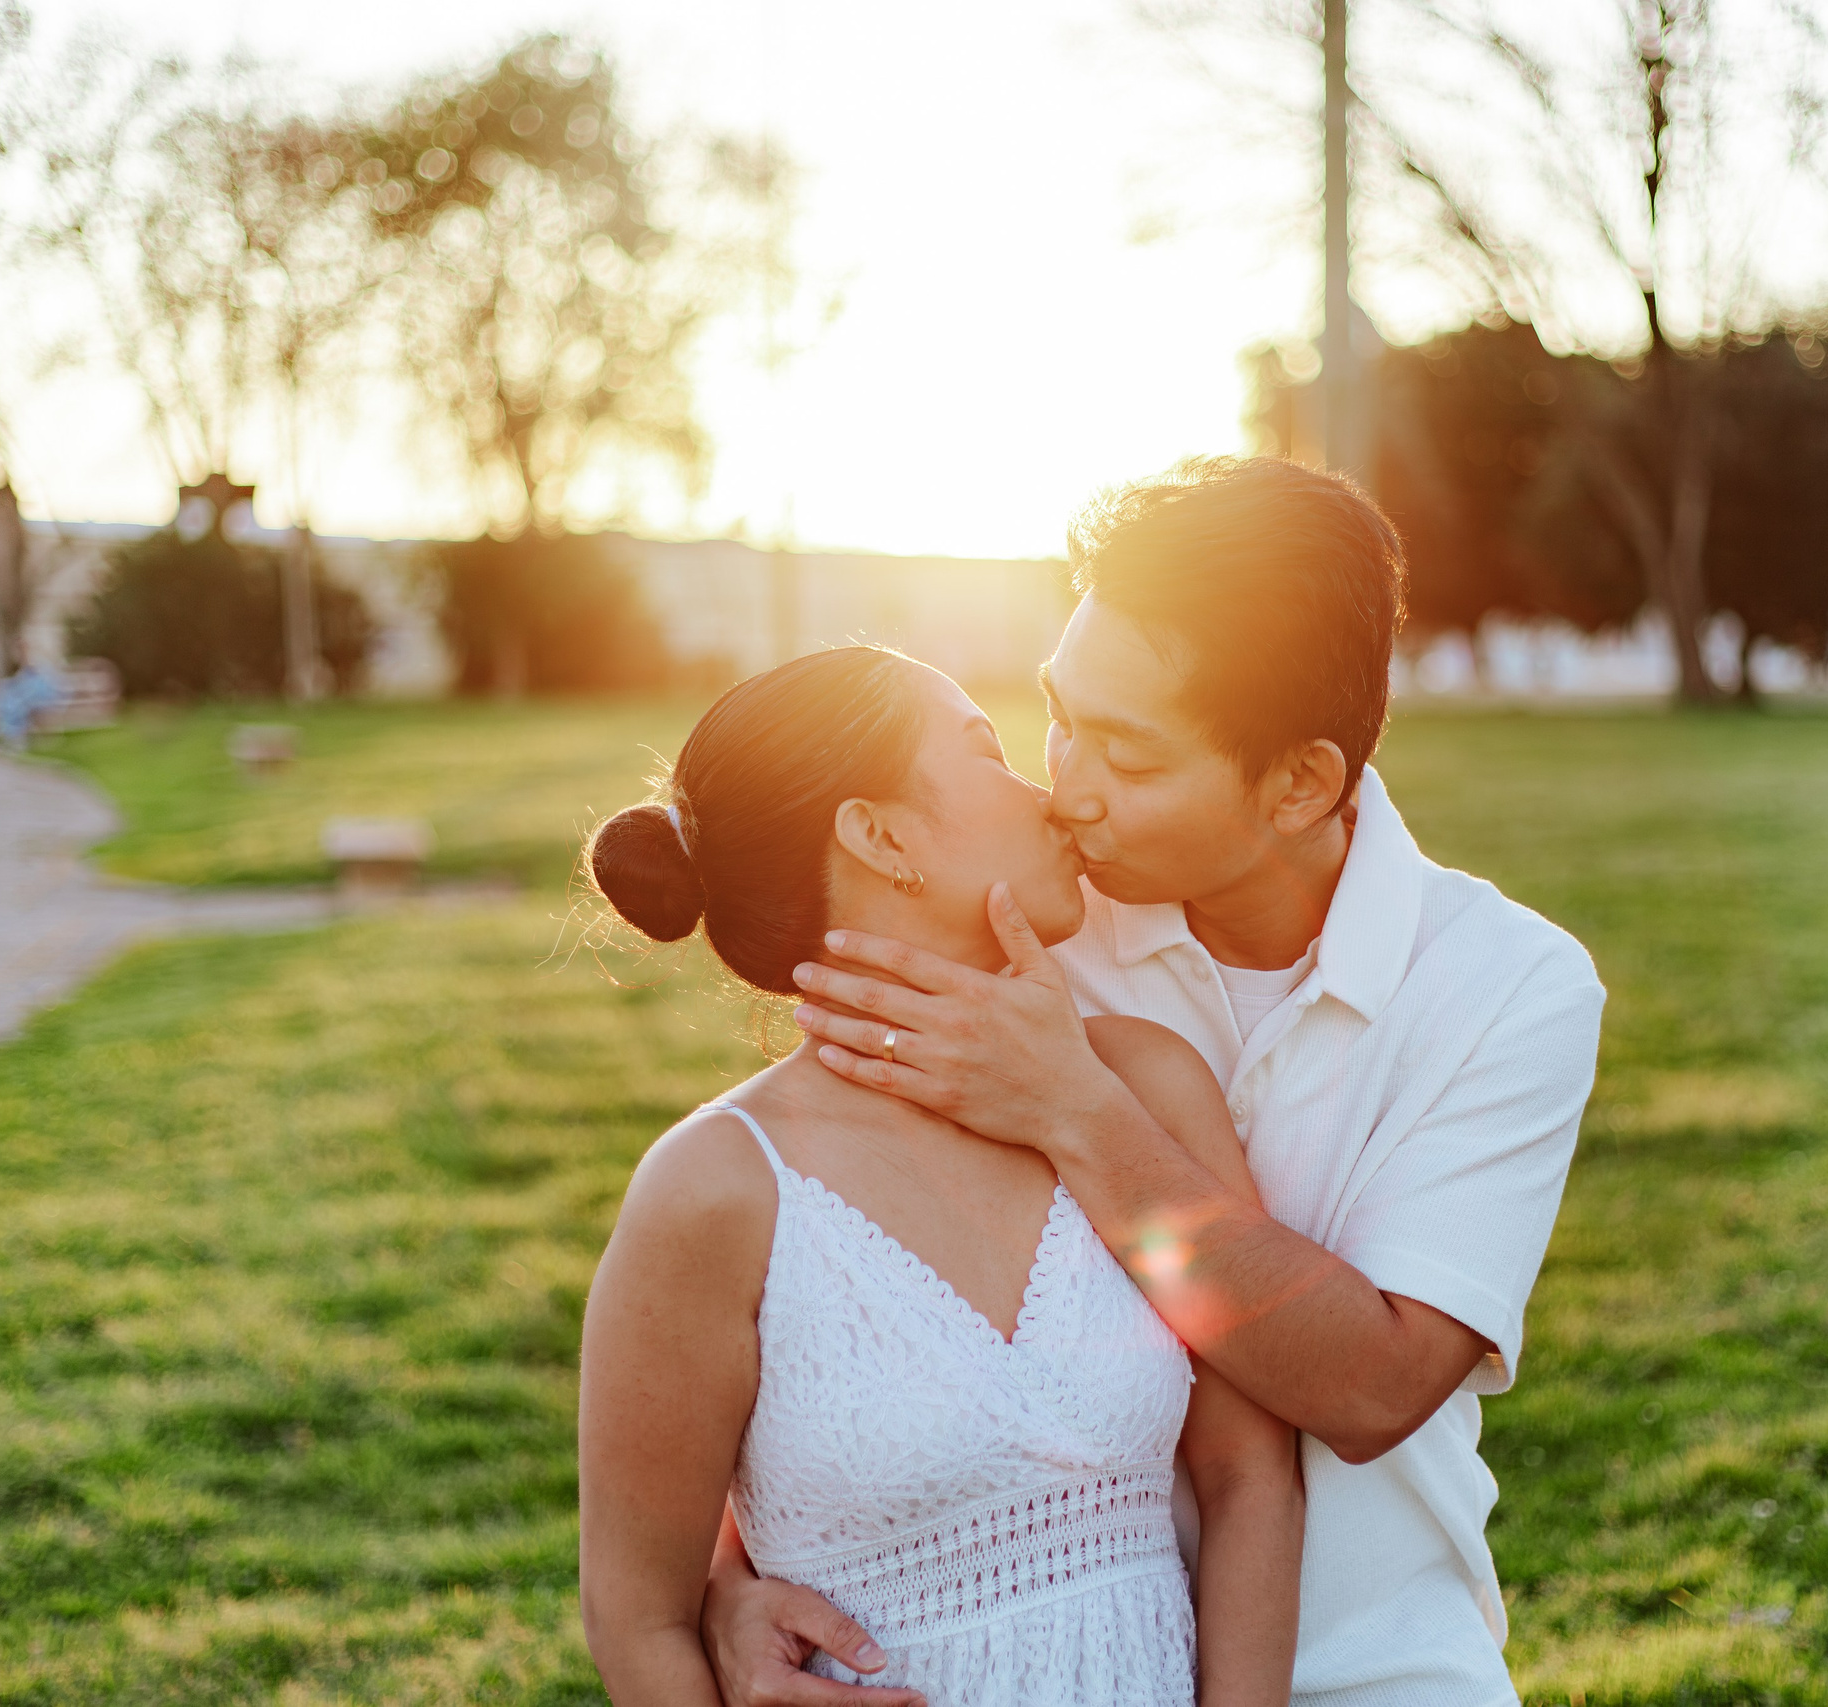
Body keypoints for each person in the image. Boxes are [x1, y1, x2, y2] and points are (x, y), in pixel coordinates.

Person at [710, 457, 1606, 1706]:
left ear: (1299, 783)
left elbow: (1370, 1385)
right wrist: (724, 1581)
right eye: (1058, 716)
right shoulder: (1026, 925)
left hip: (1372, 1663)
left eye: (1125, 756)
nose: (1066, 789)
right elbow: (825, 1272)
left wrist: (1078, 1112)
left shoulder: (1509, 990)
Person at [576, 644, 1304, 1707]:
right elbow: (637, 1620)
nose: (1050, 798)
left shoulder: (1146, 1089)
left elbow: (1248, 1480)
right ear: (882, 834)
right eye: (987, 753)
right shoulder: (717, 1190)